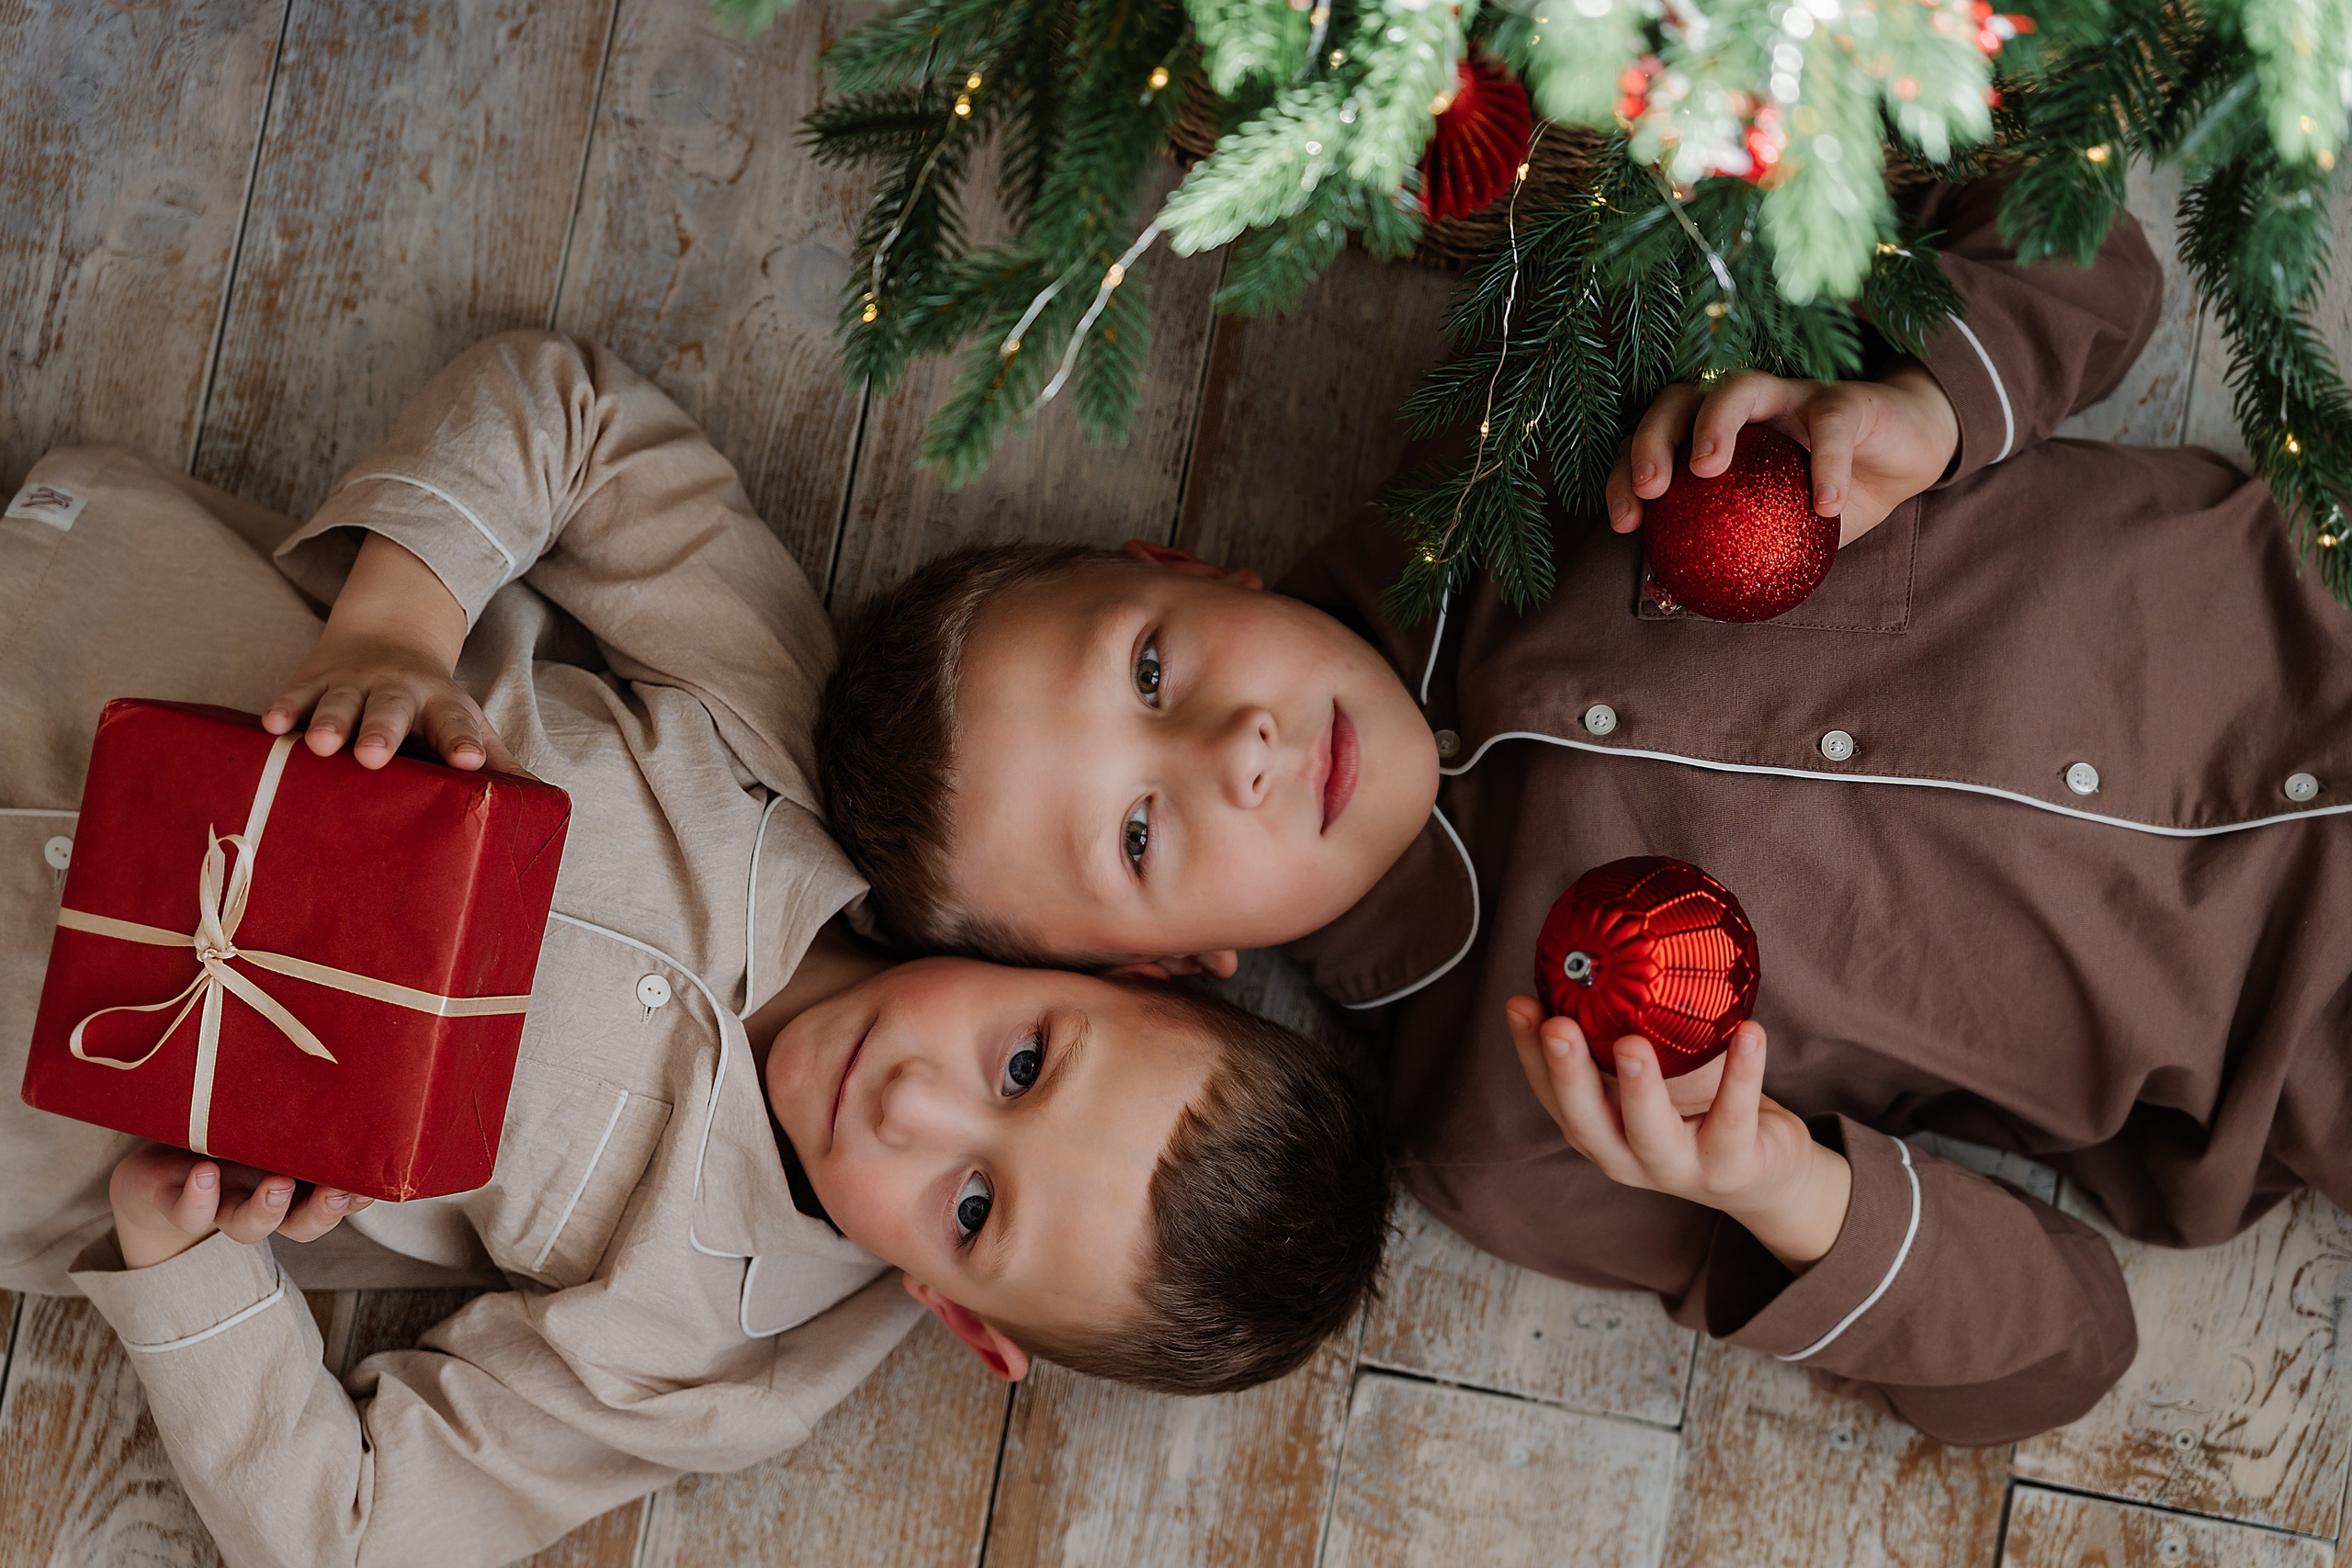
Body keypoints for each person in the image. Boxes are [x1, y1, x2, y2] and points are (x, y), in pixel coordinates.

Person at [817, 176, 2352, 1445]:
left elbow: (2082, 233)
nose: (1242, 751)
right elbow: (2062, 1351)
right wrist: (1782, 1188)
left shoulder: (1533, 423)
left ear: (1180, 569)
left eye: (1153, 669)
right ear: (1164, 966)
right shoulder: (1514, 1133)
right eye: (1142, 838)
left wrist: (1921, 408)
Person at [0, 333, 1389, 1568]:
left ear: (960, 1312)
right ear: (1096, 971)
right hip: (66, 625)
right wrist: (398, 624)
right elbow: (576, 414)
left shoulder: (713, 1352)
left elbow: (348, 1531)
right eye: (1024, 1063)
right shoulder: (788, 737)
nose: (913, 1104)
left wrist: (185, 1255)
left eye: (972, 1208)